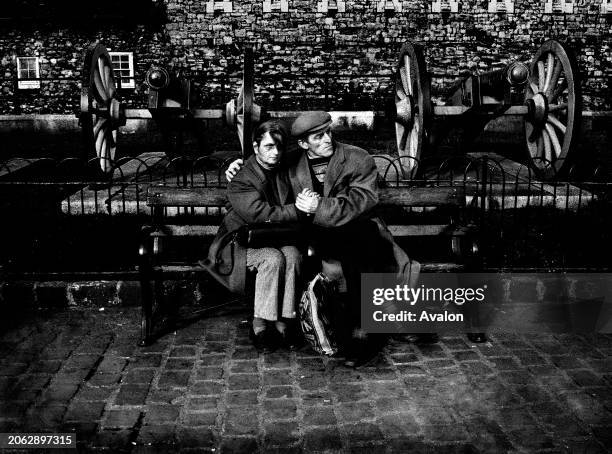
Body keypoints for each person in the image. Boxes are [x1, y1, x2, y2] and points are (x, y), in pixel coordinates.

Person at [227, 111, 420, 366]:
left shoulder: (356, 158)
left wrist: (319, 207)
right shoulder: (292, 161)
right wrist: (237, 164)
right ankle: (363, 327)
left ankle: (362, 329)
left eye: (329, 132)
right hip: (317, 235)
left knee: (360, 243)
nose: (328, 139)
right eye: (318, 137)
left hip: (357, 228)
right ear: (304, 144)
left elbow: (362, 201)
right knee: (351, 248)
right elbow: (263, 158)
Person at [204, 119, 303, 352]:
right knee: (272, 258)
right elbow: (261, 215)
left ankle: (283, 321)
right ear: (255, 147)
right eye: (268, 147)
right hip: (238, 243)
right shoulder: (242, 178)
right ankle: (260, 324)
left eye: (279, 146)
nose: (275, 153)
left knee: (293, 254)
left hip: (273, 237)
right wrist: (299, 209)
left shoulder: (282, 168)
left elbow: (307, 145)